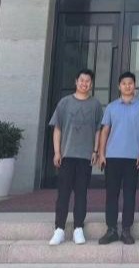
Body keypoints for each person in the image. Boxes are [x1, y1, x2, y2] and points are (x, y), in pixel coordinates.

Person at [48, 68, 103, 246]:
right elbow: (57, 129)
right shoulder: (64, 103)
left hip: (85, 157)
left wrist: (95, 151)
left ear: (91, 84)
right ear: (76, 82)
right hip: (67, 155)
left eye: (88, 81)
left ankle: (78, 228)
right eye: (82, 80)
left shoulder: (95, 105)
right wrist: (57, 152)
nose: (84, 84)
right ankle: (59, 229)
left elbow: (98, 130)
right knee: (63, 194)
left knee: (81, 194)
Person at [97, 71, 139, 246]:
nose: (127, 86)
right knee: (111, 195)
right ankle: (111, 229)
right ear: (119, 86)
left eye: (130, 83)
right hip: (112, 157)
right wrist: (101, 154)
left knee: (129, 195)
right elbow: (105, 131)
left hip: (133, 158)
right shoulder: (111, 107)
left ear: (134, 86)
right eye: (124, 83)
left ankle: (126, 230)